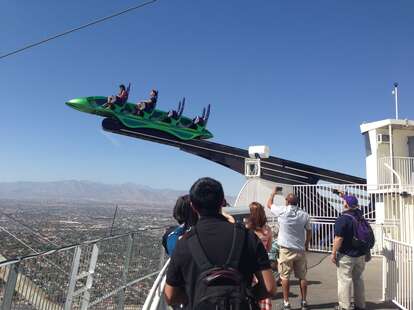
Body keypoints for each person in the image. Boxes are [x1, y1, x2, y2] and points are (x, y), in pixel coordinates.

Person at [164, 177, 277, 309]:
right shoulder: (248, 237)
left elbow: (170, 296)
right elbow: (270, 288)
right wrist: (246, 295)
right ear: (222, 201)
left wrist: (195, 297)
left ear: (193, 206)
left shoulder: (184, 243)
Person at [267, 191, 311, 310]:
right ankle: (304, 302)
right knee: (302, 277)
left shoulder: (282, 210)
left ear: (287, 201)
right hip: (300, 249)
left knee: (285, 277)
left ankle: (286, 303)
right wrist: (306, 244)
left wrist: (273, 193)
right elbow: (309, 230)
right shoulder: (304, 214)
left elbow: (269, 204)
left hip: (286, 250)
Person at [332, 193, 372, 310]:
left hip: (346, 255)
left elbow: (338, 238)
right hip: (360, 254)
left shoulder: (343, 219)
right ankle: (360, 305)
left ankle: (345, 306)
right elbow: (366, 236)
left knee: (344, 281)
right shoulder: (361, 217)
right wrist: (367, 252)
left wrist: (333, 253)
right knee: (358, 279)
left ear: (346, 205)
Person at [246, 202, 273, 310]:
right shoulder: (267, 230)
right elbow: (269, 248)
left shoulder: (247, 229)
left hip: (249, 265)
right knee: (264, 293)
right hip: (263, 265)